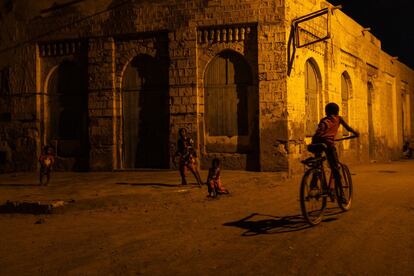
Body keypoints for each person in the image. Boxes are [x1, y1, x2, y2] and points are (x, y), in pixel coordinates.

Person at [311, 103, 359, 197]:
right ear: (337, 111)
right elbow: (348, 128)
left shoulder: (323, 120)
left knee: (317, 163)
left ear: (326, 111)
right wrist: (355, 133)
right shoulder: (338, 118)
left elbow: (319, 132)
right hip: (328, 144)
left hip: (317, 143)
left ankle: (314, 183)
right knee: (335, 167)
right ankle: (341, 194)